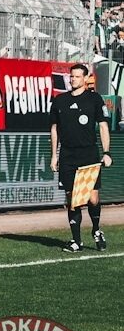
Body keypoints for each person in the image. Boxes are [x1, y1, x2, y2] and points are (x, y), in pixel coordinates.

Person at [50, 63, 112, 252]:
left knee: (92, 198)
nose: (73, 79)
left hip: (89, 154)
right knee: (72, 198)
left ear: (86, 79)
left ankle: (96, 229)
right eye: (71, 76)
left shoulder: (94, 99)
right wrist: (54, 155)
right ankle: (76, 241)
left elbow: (103, 126)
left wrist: (107, 152)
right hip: (68, 155)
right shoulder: (60, 101)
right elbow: (54, 129)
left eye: (77, 77)